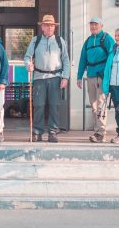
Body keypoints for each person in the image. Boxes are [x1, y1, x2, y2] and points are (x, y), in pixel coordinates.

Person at [24, 14, 70, 143]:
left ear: (54, 27)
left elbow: (66, 60)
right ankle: (37, 132)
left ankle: (53, 132)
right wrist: (28, 65)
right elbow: (28, 56)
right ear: (42, 27)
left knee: (54, 105)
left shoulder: (60, 41)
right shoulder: (35, 40)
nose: (49, 27)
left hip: (56, 77)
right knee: (39, 105)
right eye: (46, 25)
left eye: (51, 25)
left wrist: (65, 77)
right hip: (39, 77)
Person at [77, 17, 114, 143]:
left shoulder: (107, 38)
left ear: (101, 25)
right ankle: (97, 131)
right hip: (90, 76)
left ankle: (101, 133)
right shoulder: (88, 41)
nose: (93, 27)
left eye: (95, 25)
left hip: (101, 77)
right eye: (91, 25)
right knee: (93, 106)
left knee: (101, 105)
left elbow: (113, 56)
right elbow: (83, 59)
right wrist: (79, 77)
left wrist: (107, 75)